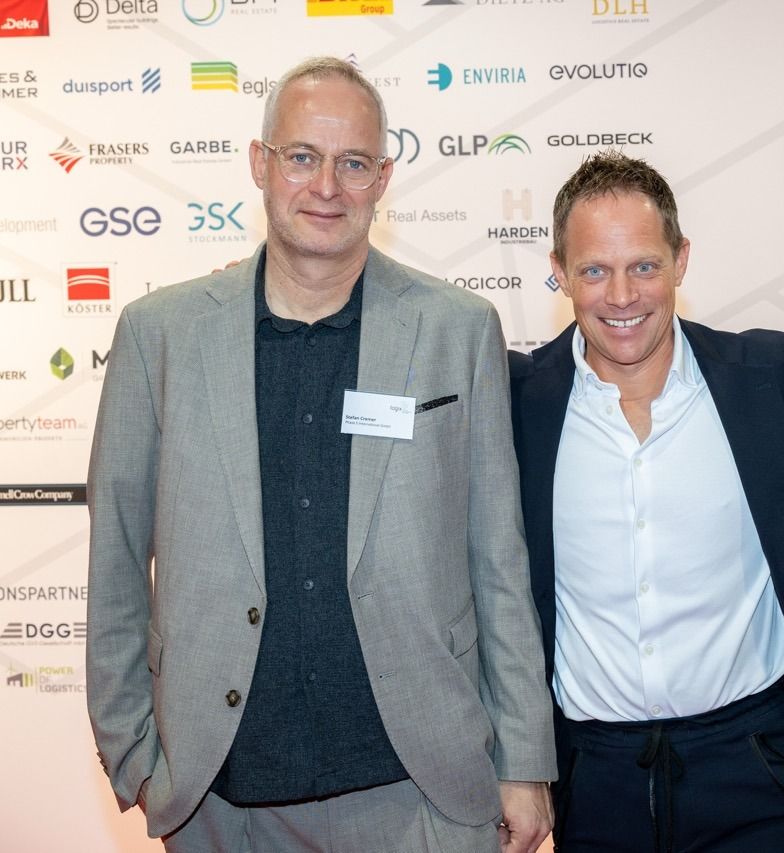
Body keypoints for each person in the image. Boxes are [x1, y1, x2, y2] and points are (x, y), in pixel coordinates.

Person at [86, 56, 555, 853]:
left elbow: (497, 562)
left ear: (384, 178)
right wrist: (133, 753)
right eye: (302, 156)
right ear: (260, 163)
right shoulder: (157, 336)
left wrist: (523, 759)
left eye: (354, 163)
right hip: (220, 800)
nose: (327, 186)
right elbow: (117, 558)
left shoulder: (457, 330)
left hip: (423, 793)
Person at [507, 151, 784, 852]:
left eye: (643, 265)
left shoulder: (768, 378)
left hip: (759, 772)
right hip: (597, 785)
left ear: (681, 260)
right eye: (594, 270)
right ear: (559, 271)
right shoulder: (515, 402)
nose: (621, 296)